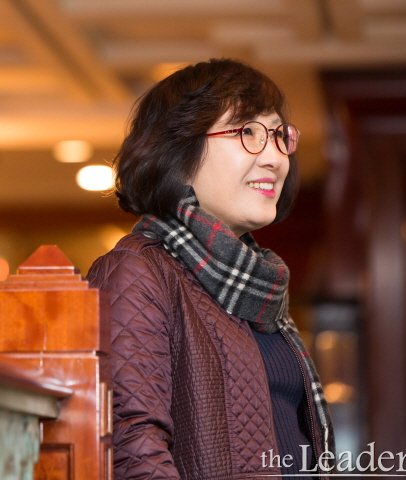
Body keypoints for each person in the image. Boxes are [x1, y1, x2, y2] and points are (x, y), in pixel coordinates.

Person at [87, 58, 334, 479]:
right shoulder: (139, 270)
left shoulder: (258, 284)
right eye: (247, 132)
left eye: (279, 135)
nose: (275, 158)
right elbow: (131, 447)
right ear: (179, 153)